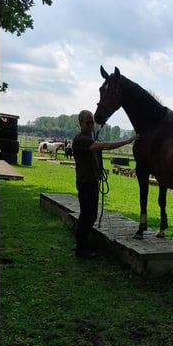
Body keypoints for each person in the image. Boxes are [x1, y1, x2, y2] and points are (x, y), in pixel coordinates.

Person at [71, 110, 138, 258]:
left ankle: (84, 245)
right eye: (88, 123)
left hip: (91, 182)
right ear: (81, 123)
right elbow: (105, 146)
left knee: (90, 215)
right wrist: (127, 141)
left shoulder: (88, 138)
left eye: (92, 122)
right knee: (87, 216)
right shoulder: (82, 140)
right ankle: (81, 248)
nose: (91, 125)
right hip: (86, 183)